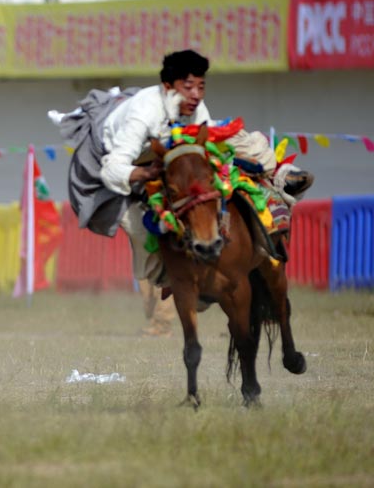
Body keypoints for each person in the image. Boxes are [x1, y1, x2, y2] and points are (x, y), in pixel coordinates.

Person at [49, 49, 313, 336]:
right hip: (112, 168)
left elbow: (208, 146)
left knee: (235, 138)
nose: (196, 94)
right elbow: (112, 168)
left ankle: (282, 178)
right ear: (168, 87)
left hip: (166, 153)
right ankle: (172, 279)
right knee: (140, 230)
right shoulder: (142, 115)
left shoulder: (194, 109)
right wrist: (143, 175)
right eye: (188, 87)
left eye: (201, 86)